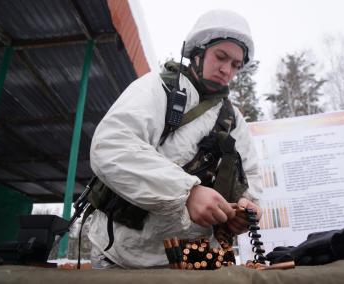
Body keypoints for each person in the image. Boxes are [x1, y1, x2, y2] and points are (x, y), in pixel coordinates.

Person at [88, 9, 262, 268]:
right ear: (198, 53)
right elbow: (111, 147)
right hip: (125, 256)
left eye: (235, 65)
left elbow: (252, 176)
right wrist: (187, 192)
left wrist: (247, 208)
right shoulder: (157, 89)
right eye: (221, 57)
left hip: (197, 259)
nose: (227, 70)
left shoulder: (233, 119)